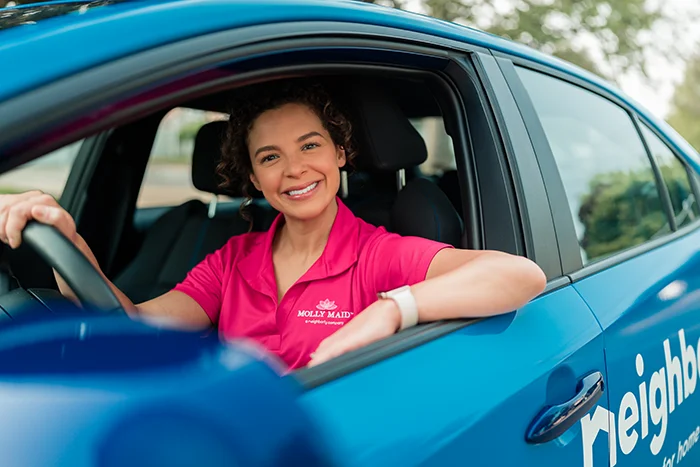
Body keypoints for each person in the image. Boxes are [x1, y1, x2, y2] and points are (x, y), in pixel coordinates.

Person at [0, 80, 546, 370]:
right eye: (269, 157)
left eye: (310, 146)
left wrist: (391, 309)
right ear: (255, 180)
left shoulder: (379, 254)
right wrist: (67, 239)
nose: (294, 170)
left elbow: (520, 275)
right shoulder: (232, 259)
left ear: (340, 155)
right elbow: (131, 322)